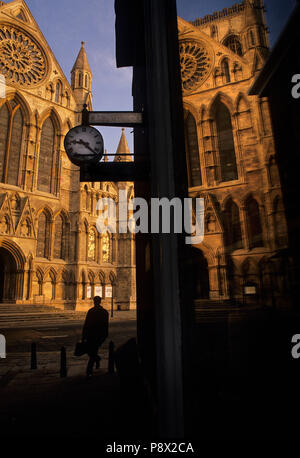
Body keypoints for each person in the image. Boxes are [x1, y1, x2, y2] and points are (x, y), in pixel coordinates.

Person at [82, 296, 109, 378]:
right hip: (97, 335)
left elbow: (86, 324)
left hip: (93, 335)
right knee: (92, 351)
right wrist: (105, 335)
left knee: (92, 352)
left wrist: (84, 335)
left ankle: (89, 370)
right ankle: (97, 359)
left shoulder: (92, 311)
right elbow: (106, 325)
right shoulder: (104, 312)